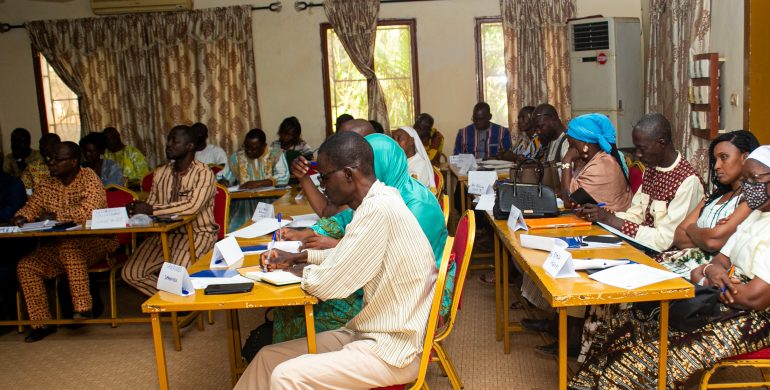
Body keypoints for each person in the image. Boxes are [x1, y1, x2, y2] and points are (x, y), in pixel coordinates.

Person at [234, 131, 437, 390]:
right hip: (369, 333)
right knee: (267, 358)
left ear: (349, 175)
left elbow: (327, 285)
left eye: (325, 177)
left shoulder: (377, 210)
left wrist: (297, 269)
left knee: (286, 376)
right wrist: (299, 257)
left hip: (393, 349)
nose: (322, 185)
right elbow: (348, 255)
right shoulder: (377, 201)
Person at [570, 145, 770, 389]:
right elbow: (718, 261)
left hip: (752, 320)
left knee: (646, 359)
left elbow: (754, 298)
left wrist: (707, 278)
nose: (747, 186)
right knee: (626, 321)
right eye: (746, 179)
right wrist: (709, 272)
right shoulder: (756, 216)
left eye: (755, 179)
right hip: (720, 297)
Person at [271, 130, 448, 344]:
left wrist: (319, 255)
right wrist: (310, 234)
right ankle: (295, 360)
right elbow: (344, 219)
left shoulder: (416, 205)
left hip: (411, 300)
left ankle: (302, 363)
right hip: (384, 282)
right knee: (299, 305)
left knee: (317, 306)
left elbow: (381, 258)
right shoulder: (379, 196)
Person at [13, 142, 118, 342]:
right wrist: (21, 217)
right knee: (26, 265)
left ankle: (83, 308)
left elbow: (89, 211)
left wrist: (55, 216)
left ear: (73, 162)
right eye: (50, 159)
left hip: (97, 242)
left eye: (57, 159)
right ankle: (42, 323)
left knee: (70, 248)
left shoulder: (89, 179)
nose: (51, 163)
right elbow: (31, 207)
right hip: (59, 246)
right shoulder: (46, 185)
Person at [579, 113, 704, 252]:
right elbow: (636, 216)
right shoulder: (651, 169)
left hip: (669, 256)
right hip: (643, 247)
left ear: (661, 143)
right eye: (636, 148)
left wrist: (610, 220)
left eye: (642, 148)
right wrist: (602, 214)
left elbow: (665, 240)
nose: (637, 154)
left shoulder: (687, 181)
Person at [121, 125, 217, 296]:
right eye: (168, 140)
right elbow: (150, 207)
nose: (168, 144)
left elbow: (192, 207)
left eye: (175, 141)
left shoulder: (204, 173)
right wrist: (136, 212)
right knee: (131, 274)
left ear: (190, 146)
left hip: (195, 234)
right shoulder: (160, 173)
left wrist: (150, 209)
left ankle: (178, 301)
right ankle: (174, 302)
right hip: (163, 235)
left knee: (177, 280)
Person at [660, 130, 758, 276]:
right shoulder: (713, 196)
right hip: (683, 266)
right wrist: (708, 236)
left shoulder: (751, 198)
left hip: (712, 275)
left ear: (745, 157)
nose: (717, 166)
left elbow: (713, 241)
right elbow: (679, 236)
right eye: (715, 159)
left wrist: (692, 229)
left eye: (724, 157)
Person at [559, 113, 633, 211]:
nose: (569, 150)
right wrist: (579, 167)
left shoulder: (602, 166)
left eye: (571, 145)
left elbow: (569, 201)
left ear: (585, 144)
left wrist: (566, 160)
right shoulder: (594, 160)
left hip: (611, 223)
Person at [220, 128, 290, 231]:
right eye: (246, 147)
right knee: (232, 230)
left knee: (276, 230)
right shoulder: (236, 157)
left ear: (264, 146)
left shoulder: (275, 154)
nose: (249, 151)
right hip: (243, 208)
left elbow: (284, 177)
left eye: (254, 149)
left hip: (271, 205)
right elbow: (224, 177)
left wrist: (259, 183)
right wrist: (223, 182)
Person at [0, 153, 28, 322]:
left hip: (10, 243)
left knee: (3, 267)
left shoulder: (12, 184)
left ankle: (6, 314)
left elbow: (8, 213)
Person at [391, 126, 436, 192]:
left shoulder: (421, 164)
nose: (395, 143)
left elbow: (410, 190)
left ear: (411, 141)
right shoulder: (397, 161)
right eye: (393, 139)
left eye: (399, 139)